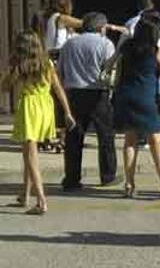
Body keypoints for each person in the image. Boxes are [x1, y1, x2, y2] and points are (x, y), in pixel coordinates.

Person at [3, 31, 75, 215]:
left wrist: (13, 71)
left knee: (30, 156)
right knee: (28, 153)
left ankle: (41, 200)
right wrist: (67, 112)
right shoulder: (47, 63)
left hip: (29, 107)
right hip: (45, 106)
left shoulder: (20, 65)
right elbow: (57, 88)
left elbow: (4, 87)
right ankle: (24, 194)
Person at [112, 14, 160, 199]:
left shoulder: (126, 47)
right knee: (156, 139)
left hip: (126, 95)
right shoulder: (156, 50)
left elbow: (118, 69)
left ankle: (129, 184)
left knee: (130, 140)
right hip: (147, 96)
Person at [58, 12, 117, 191]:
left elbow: (60, 70)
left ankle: (72, 178)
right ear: (101, 27)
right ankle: (107, 176)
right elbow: (110, 70)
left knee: (74, 137)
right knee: (105, 136)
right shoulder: (105, 44)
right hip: (98, 93)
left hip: (74, 93)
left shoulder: (69, 44)